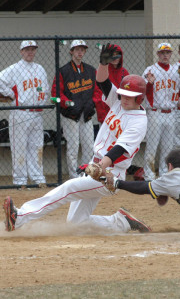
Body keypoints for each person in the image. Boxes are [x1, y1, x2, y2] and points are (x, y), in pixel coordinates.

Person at [3, 44, 151, 235]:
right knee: (76, 221)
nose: (123, 98)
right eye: (123, 94)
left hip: (110, 174)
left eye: (130, 96)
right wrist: (103, 63)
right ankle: (121, 222)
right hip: (96, 164)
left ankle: (20, 216)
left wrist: (100, 167)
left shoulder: (139, 121)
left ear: (140, 99)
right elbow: (102, 81)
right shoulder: (119, 100)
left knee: (68, 188)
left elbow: (119, 149)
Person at [0, 40, 49, 189]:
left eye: (32, 49)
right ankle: (20, 181)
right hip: (20, 112)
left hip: (37, 114)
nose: (30, 52)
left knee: (36, 147)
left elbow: (45, 89)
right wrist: (11, 94)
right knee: (19, 147)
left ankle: (38, 179)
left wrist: (42, 100)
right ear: (21, 52)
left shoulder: (40, 68)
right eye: (27, 49)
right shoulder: (15, 68)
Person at [51, 40, 100, 178]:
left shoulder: (91, 70)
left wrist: (93, 102)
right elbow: (56, 93)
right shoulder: (63, 71)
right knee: (73, 147)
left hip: (87, 115)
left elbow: (97, 91)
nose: (80, 52)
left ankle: (86, 174)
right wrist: (69, 104)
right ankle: (74, 176)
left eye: (82, 49)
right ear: (71, 51)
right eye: (77, 49)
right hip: (70, 116)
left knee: (89, 146)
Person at [142, 42, 180, 181]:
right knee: (152, 146)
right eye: (162, 53)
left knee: (167, 147)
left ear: (171, 54)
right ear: (158, 54)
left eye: (168, 52)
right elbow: (143, 92)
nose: (165, 55)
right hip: (155, 112)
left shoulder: (176, 71)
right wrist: (149, 83)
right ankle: (149, 174)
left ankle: (164, 173)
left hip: (171, 112)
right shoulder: (150, 70)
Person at [94, 44, 129, 124]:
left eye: (117, 54)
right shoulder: (102, 71)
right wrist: (103, 115)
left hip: (121, 111)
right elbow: (98, 93)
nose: (115, 57)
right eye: (112, 55)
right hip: (106, 114)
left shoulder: (124, 72)